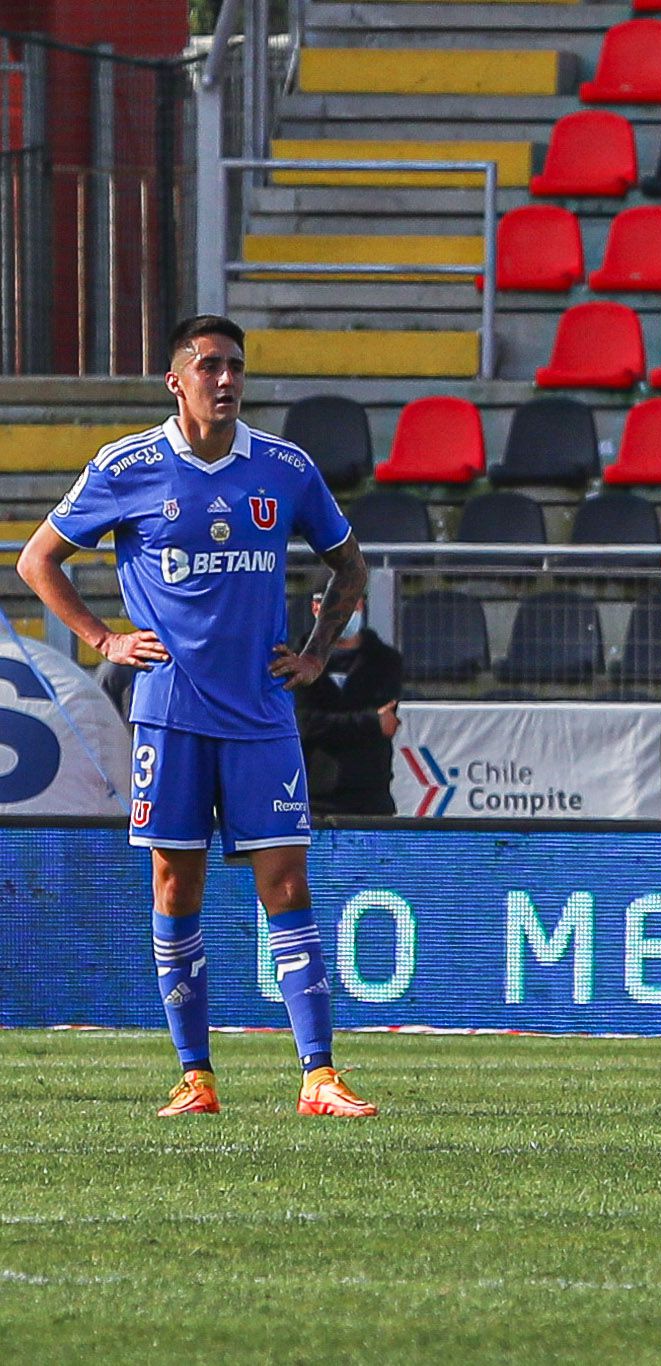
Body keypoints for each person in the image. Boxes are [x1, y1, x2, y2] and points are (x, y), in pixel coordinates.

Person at [14, 314, 378, 1120]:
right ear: (176, 381)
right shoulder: (126, 466)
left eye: (235, 366)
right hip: (170, 714)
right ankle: (196, 1074)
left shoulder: (284, 468)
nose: (225, 379)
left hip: (260, 714)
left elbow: (350, 565)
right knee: (177, 882)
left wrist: (315, 654)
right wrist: (101, 637)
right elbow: (36, 559)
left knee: (285, 881)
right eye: (208, 365)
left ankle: (319, 1076)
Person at [294, 590, 403, 817]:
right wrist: (372, 722)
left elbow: (388, 723)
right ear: (316, 608)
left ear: (360, 605)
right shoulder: (294, 663)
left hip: (370, 796)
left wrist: (326, 722)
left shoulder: (386, 661)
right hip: (313, 799)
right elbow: (303, 725)